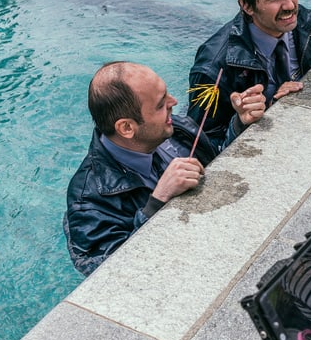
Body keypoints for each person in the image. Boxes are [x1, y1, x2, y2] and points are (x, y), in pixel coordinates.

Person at [63, 61, 265, 276]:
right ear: (127, 127)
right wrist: (157, 202)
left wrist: (240, 124)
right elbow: (109, 274)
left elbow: (216, 164)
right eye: (160, 105)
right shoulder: (87, 200)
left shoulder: (177, 129)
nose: (174, 102)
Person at [188, 0, 311, 145]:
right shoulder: (214, 66)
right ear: (247, 5)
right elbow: (198, 146)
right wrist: (239, 123)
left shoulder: (310, 30)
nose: (289, 5)